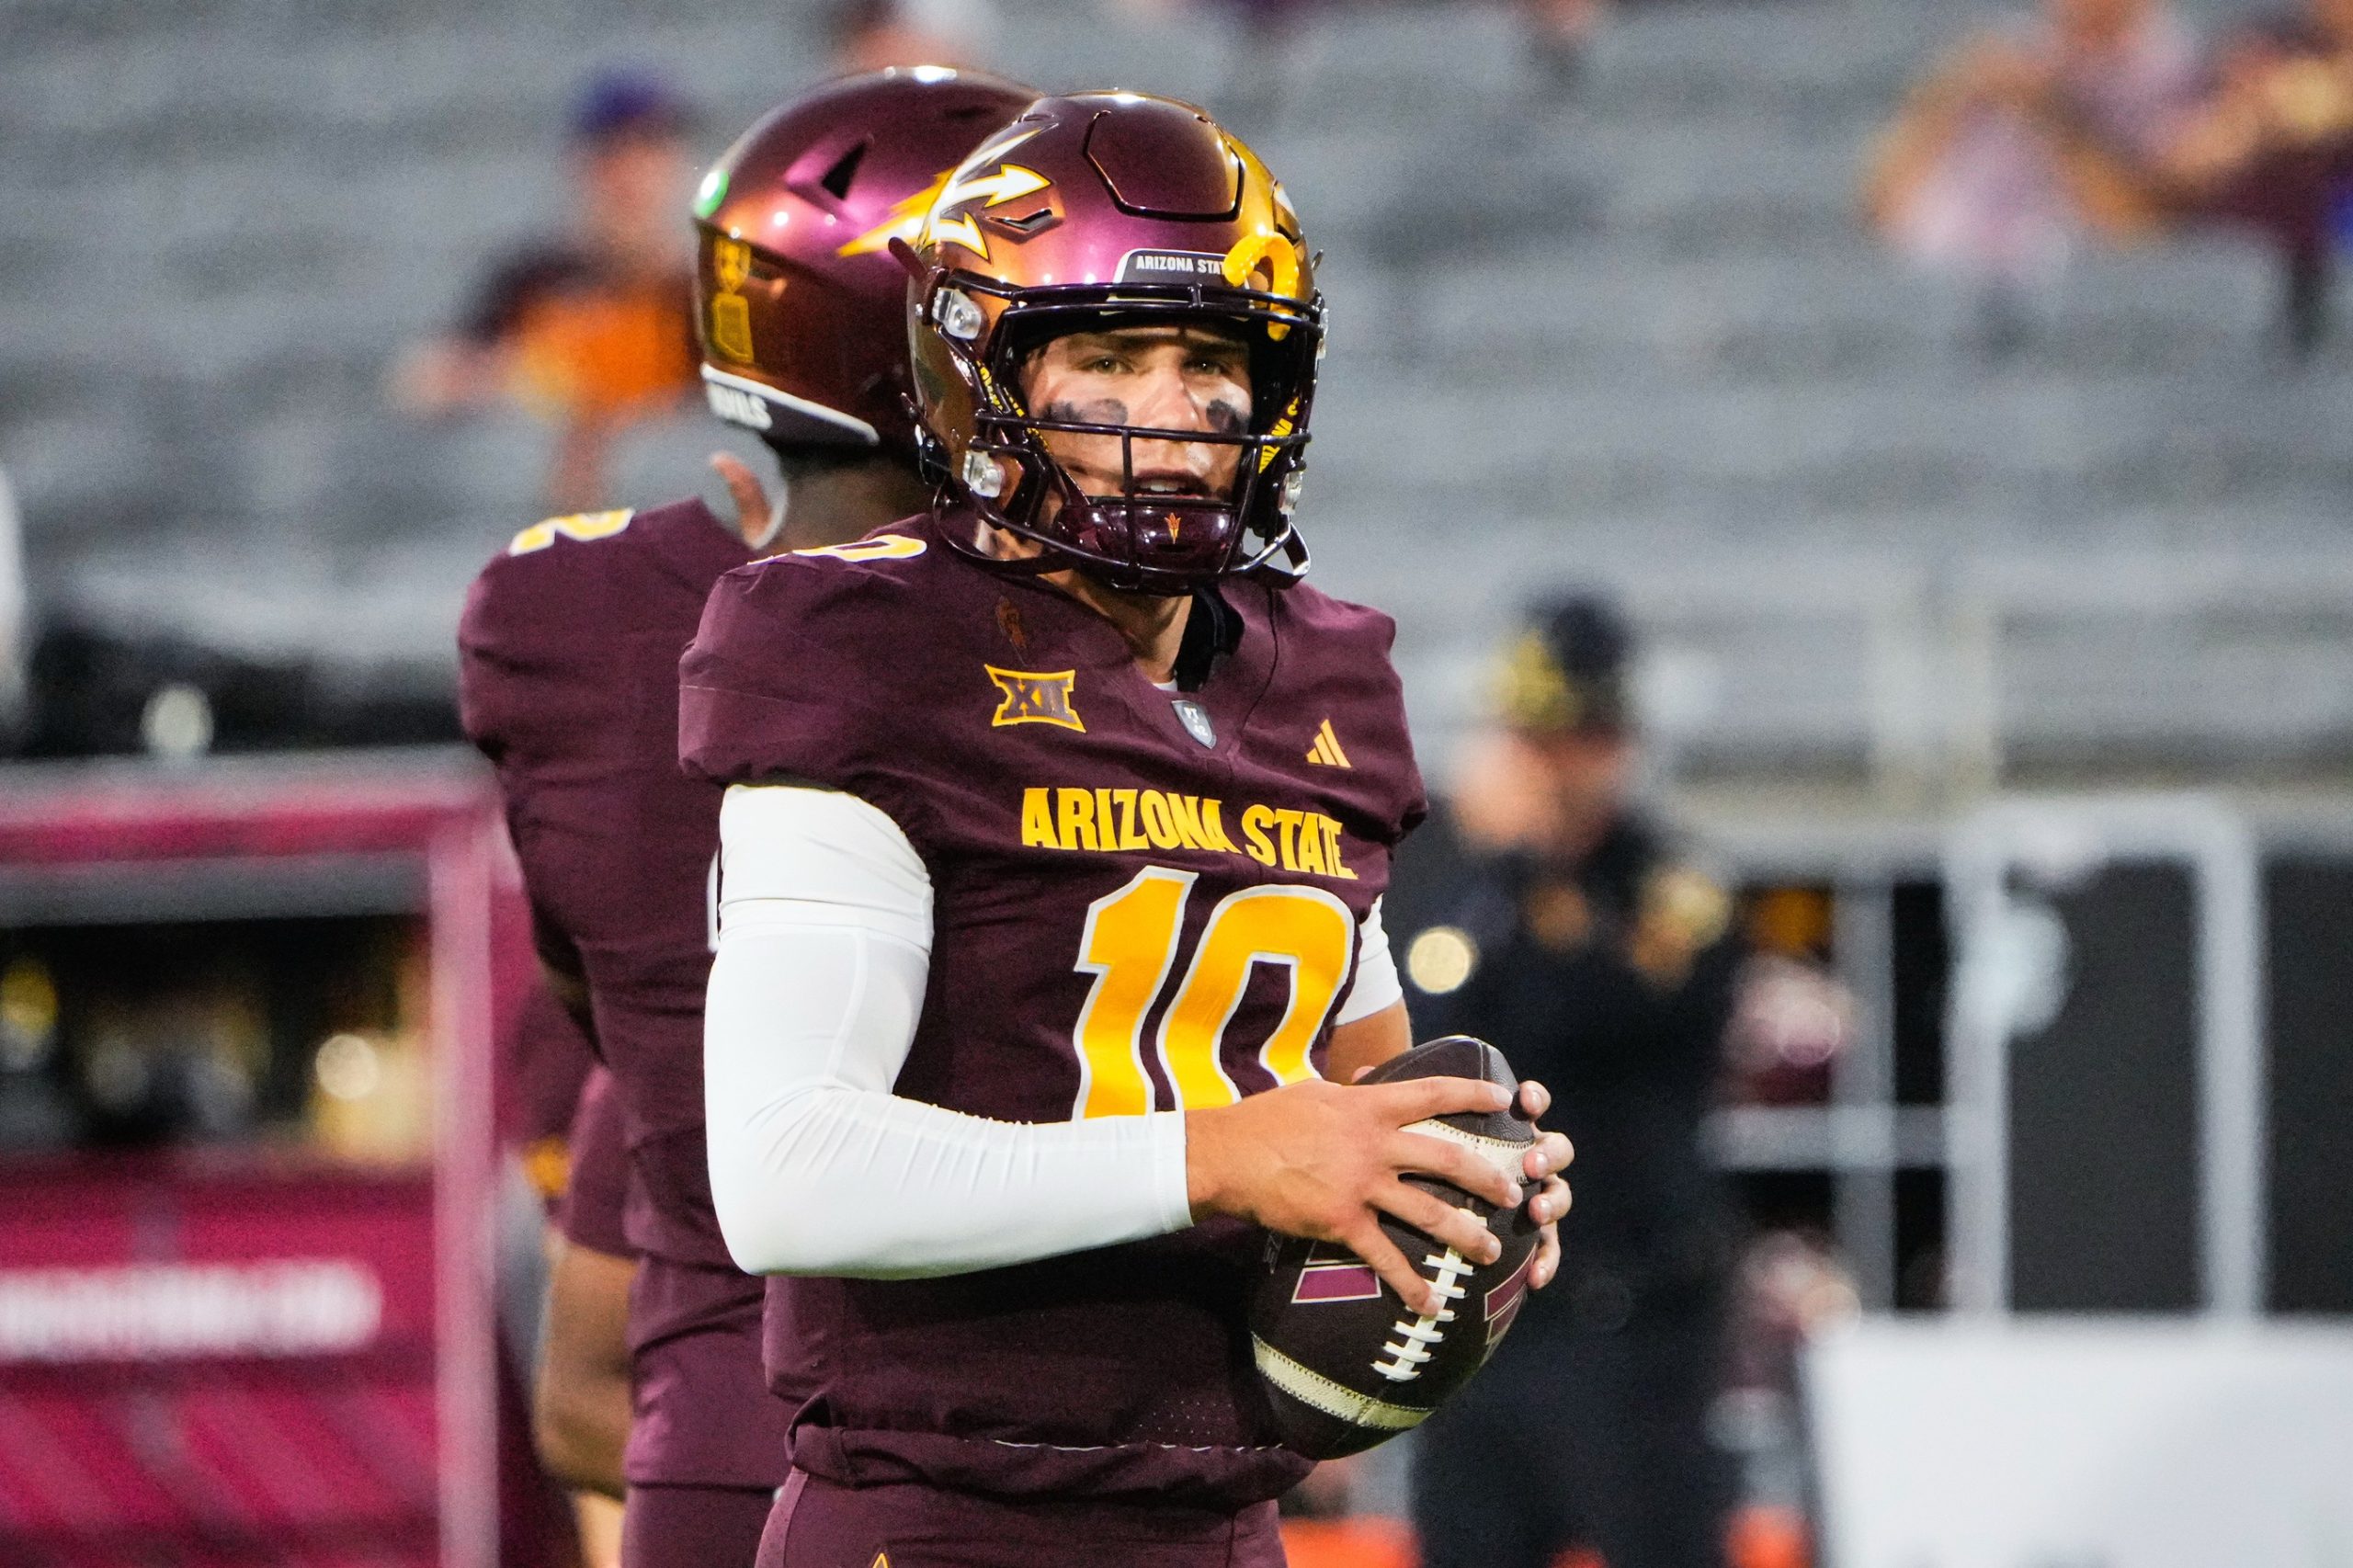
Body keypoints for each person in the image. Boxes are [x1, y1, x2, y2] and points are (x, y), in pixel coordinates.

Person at [681, 91, 1575, 1566]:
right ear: (982, 375)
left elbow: (1352, 1096)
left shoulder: (1322, 676)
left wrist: (1466, 1192)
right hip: (943, 1514)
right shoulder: (861, 642)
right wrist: (1218, 1158)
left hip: (1223, 1521)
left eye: (1211, 363)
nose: (1172, 412)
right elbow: (783, 1171)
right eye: (1107, 358)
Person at [457, 67, 1040, 1568]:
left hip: (722, 1451)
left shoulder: (561, 620)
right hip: (1040, 1450)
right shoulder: (1125, 637)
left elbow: (611, 1018)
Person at [1399, 595, 1743, 1568]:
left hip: (1633, 1321)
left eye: (1580, 736)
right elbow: (1427, 1021)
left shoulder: (1671, 884)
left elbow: (1595, 1011)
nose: (1556, 763)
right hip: (1481, 1314)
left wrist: (1523, 870)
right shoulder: (1443, 871)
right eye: (1535, 737)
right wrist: (1491, 868)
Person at [394, 68, 702, 511]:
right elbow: (421, 384)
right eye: (612, 155)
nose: (629, 176)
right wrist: (516, 379)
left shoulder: (700, 298)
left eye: (648, 152)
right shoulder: (532, 281)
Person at [1864, 0, 2201, 353]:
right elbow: (1877, 207)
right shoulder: (2009, 49)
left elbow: (2139, 223)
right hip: (1937, 284)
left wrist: (2048, 111)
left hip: (2073, 306)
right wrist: (1946, 99)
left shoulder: (2173, 70)